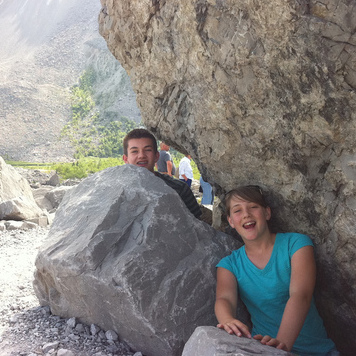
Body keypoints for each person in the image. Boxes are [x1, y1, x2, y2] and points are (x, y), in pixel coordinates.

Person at [215, 185, 338, 356]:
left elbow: (300, 295)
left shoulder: (295, 244)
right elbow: (224, 298)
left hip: (316, 350)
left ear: (267, 213)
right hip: (264, 348)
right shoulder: (229, 264)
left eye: (253, 207)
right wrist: (227, 319)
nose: (246, 214)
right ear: (230, 221)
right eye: (237, 210)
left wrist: (281, 345)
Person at [122, 129, 201, 219]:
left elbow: (197, 226)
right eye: (135, 151)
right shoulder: (117, 192)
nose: (141, 155)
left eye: (147, 150)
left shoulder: (179, 189)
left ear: (156, 156)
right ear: (125, 159)